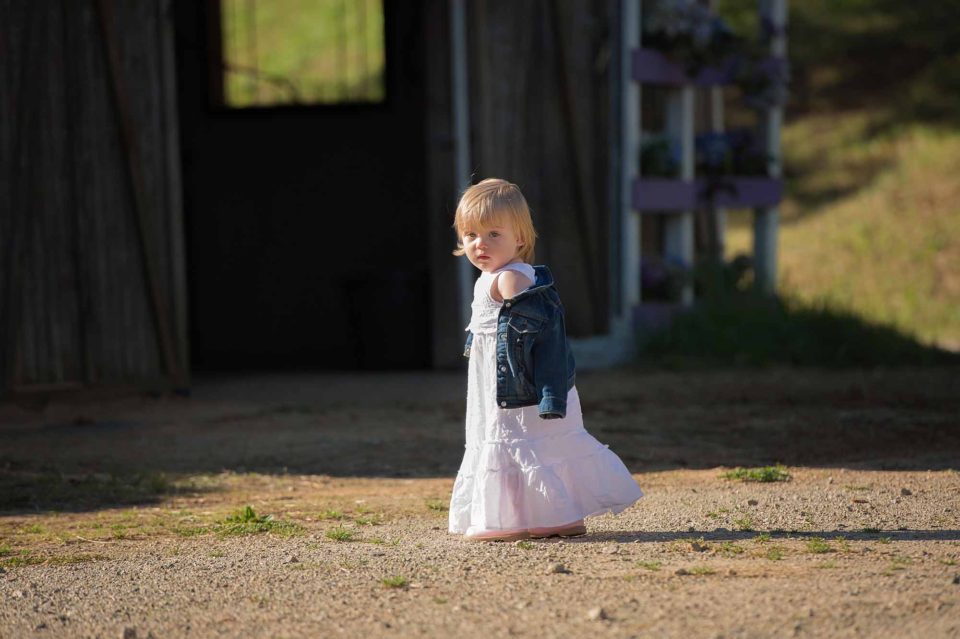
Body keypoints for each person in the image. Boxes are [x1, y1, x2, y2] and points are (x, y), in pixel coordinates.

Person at [447, 178, 644, 542]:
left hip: (520, 387)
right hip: (503, 381)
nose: (480, 244)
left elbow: (546, 337)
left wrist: (549, 392)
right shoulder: (494, 276)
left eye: (493, 234)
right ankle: (553, 515)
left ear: (520, 238)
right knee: (532, 441)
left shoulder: (511, 280)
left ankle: (515, 518)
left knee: (515, 436)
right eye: (471, 234)